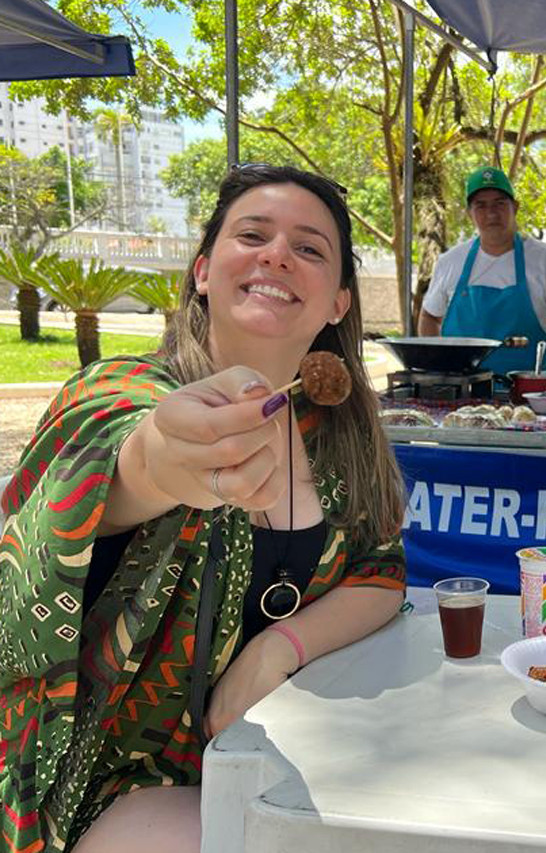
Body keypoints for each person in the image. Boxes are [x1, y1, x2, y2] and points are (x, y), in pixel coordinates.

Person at [0, 165, 408, 852]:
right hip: (102, 787)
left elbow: (381, 572)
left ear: (338, 302)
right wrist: (161, 458)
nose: (277, 253)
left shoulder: (341, 437)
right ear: (202, 271)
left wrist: (276, 650)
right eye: (252, 234)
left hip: (272, 767)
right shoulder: (120, 388)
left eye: (309, 248)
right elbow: (110, 454)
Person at [418, 166, 546, 375]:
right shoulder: (451, 261)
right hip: (461, 394)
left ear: (515, 207)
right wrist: (438, 368)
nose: (491, 213)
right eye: (481, 205)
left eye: (500, 203)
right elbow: (429, 317)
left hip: (529, 395)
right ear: (469, 213)